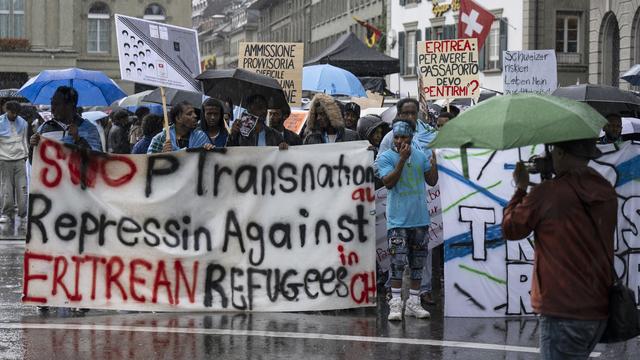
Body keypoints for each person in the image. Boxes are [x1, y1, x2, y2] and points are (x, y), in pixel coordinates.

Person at [502, 138, 617, 360]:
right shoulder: (605, 189)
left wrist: (521, 189)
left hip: (561, 308)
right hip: (598, 306)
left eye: (555, 150)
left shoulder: (548, 193)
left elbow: (511, 228)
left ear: (562, 154)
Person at [375, 120, 438, 321]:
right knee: (397, 263)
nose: (400, 140)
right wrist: (401, 160)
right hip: (398, 221)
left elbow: (432, 180)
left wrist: (434, 162)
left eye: (404, 136)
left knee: (418, 264)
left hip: (419, 219)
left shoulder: (420, 155)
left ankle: (413, 302)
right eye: (397, 136)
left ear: (411, 137)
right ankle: (395, 303)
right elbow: (389, 183)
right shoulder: (386, 157)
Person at [29, 86, 102, 152]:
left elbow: (96, 159)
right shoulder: (44, 128)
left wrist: (78, 139)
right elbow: (34, 162)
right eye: (52, 103)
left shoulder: (89, 129)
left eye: (57, 104)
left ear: (70, 105)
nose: (52, 109)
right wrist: (33, 147)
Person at [0, 101, 29, 235]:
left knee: (22, 188)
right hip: (4, 160)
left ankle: (23, 215)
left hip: (20, 160)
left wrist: (26, 155)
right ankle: (7, 213)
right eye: (12, 112)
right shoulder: (0, 123)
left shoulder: (23, 123)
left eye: (16, 113)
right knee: (6, 188)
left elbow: (24, 140)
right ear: (7, 110)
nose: (14, 115)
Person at [147, 101, 213, 153]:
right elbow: (149, 164)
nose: (195, 116)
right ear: (178, 118)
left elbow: (209, 162)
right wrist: (163, 155)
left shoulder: (201, 137)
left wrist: (209, 150)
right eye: (189, 114)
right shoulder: (160, 139)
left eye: (194, 113)